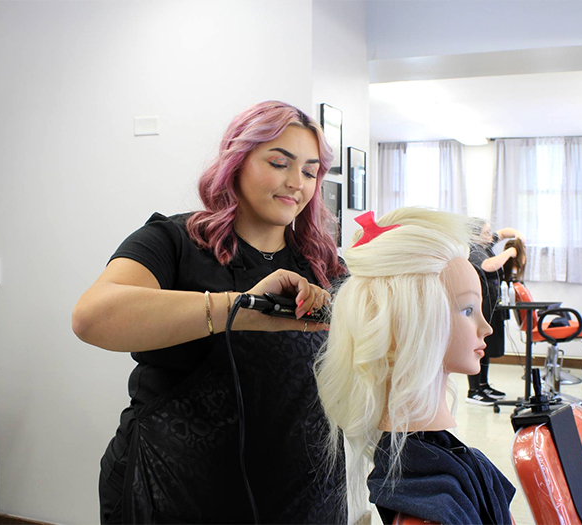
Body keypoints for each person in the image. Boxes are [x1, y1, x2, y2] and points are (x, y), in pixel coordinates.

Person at [72, 101, 347, 524]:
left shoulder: (323, 265)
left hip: (301, 493)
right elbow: (92, 317)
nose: (297, 183)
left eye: (310, 172)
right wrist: (239, 308)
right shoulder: (173, 241)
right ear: (237, 162)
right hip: (170, 487)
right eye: (279, 163)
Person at [314, 208, 516, 524]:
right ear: (411, 322)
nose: (485, 327)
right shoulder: (428, 502)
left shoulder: (434, 471)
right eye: (466, 311)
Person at [466, 220, 525, 406]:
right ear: (475, 234)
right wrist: (509, 252)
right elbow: (488, 266)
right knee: (477, 346)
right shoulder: (472, 249)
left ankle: (484, 385)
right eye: (486, 232)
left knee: (487, 347)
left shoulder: (485, 243)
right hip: (480, 305)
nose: (490, 235)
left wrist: (518, 236)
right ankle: (474, 391)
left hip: (491, 303)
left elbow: (505, 231)